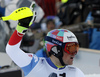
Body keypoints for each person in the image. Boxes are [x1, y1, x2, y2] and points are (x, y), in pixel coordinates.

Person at [6, 7, 85, 77]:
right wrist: (21, 28)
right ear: (56, 50)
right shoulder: (34, 64)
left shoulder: (76, 73)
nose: (74, 53)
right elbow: (12, 50)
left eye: (76, 48)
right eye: (70, 48)